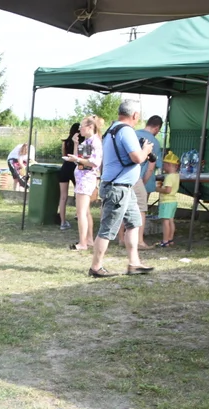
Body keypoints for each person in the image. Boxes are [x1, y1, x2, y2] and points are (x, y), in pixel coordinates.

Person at [89, 100, 154, 278]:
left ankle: (134, 264)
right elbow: (136, 157)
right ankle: (95, 267)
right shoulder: (126, 131)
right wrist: (146, 150)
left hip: (124, 187)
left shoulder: (112, 130)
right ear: (135, 115)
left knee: (134, 223)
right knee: (108, 228)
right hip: (118, 188)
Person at [64, 115, 103, 252]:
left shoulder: (95, 142)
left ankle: (82, 243)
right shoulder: (87, 141)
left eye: (82, 126)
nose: (80, 128)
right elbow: (79, 159)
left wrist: (78, 160)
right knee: (85, 212)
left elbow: (94, 162)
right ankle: (89, 240)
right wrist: (75, 144)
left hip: (85, 179)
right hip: (82, 177)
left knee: (81, 213)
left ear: (90, 127)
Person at [131, 115, 163, 250]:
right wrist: (143, 182)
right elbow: (151, 167)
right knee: (141, 210)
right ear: (157, 128)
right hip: (141, 180)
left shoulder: (132, 134)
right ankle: (139, 240)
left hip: (126, 178)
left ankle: (123, 238)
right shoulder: (154, 142)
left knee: (125, 209)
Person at [57, 122, 81, 231]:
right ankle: (78, 215)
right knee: (79, 194)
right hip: (76, 169)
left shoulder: (65, 142)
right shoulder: (82, 142)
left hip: (65, 168)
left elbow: (64, 155)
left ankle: (62, 222)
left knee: (63, 197)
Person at [157, 151, 180, 247]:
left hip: (166, 201)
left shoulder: (169, 177)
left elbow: (167, 190)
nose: (163, 167)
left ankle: (165, 240)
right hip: (173, 201)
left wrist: (157, 189)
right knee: (171, 221)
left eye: (164, 164)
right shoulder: (176, 175)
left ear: (169, 165)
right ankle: (170, 239)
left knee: (165, 222)